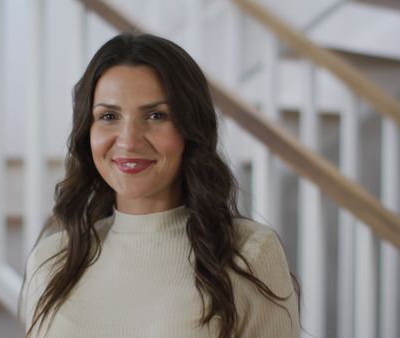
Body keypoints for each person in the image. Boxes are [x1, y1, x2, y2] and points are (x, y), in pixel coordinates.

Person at [19, 32, 299, 338]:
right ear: (87, 131)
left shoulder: (249, 252)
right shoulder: (52, 260)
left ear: (190, 130)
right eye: (109, 116)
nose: (128, 140)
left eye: (156, 115)